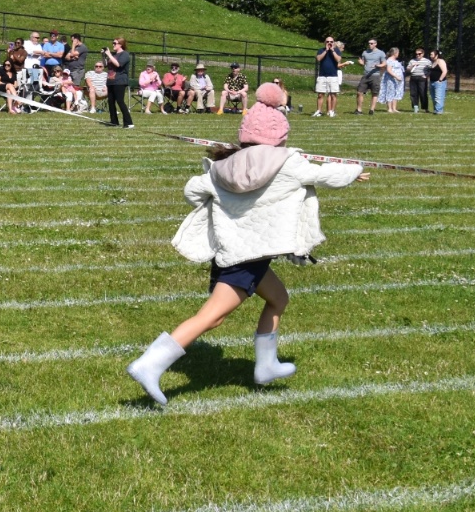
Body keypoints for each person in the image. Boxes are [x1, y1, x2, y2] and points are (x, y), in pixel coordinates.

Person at [125, 83, 367, 405]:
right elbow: (326, 176)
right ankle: (149, 364)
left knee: (278, 298)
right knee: (212, 317)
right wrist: (356, 168)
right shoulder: (288, 162)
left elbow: (192, 191)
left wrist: (221, 207)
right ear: (279, 135)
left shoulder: (225, 164)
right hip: (245, 256)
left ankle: (266, 366)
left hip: (240, 250)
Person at [103, 38, 133, 127]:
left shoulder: (125, 54)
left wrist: (109, 54)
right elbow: (105, 65)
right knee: (111, 101)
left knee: (120, 101)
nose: (113, 45)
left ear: (120, 44)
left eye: (115, 43)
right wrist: (104, 55)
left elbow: (118, 64)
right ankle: (114, 121)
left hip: (120, 81)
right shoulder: (114, 55)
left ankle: (129, 123)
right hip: (111, 81)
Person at [353, 38, 385, 115]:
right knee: (359, 92)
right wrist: (361, 63)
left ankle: (371, 110)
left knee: (374, 93)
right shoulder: (365, 52)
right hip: (366, 75)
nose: (370, 45)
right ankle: (359, 110)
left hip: (375, 75)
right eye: (369, 43)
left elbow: (384, 63)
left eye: (371, 43)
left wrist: (378, 65)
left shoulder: (380, 53)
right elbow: (363, 62)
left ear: (375, 44)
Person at [313, 36, 342, 117]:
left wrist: (332, 51)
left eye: (331, 42)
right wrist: (326, 50)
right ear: (325, 42)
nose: (329, 43)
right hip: (322, 75)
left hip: (333, 76)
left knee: (333, 94)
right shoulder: (321, 50)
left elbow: (338, 59)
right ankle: (319, 111)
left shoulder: (336, 50)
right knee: (320, 94)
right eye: (327, 41)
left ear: (334, 43)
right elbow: (318, 59)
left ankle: (332, 111)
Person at [405, 48, 432, 113]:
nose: (417, 55)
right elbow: (408, 70)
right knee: (413, 93)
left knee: (423, 93)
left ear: (423, 54)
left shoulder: (427, 61)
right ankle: (415, 107)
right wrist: (412, 66)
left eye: (419, 54)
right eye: (416, 54)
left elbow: (431, 70)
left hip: (422, 78)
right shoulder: (412, 61)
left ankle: (425, 108)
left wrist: (426, 76)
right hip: (413, 78)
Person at [379, 47, 405, 113]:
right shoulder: (389, 60)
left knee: (396, 92)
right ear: (395, 53)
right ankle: (389, 108)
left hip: (397, 81)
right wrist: (396, 76)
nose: (398, 54)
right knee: (390, 92)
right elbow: (389, 70)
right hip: (391, 79)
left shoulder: (396, 61)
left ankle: (394, 108)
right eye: (398, 52)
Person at [429, 50, 449, 114]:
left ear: (436, 55)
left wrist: (440, 80)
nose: (430, 56)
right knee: (433, 97)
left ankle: (439, 111)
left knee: (438, 97)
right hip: (432, 82)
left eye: (432, 54)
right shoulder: (433, 62)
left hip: (439, 83)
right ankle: (436, 109)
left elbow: (445, 71)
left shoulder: (440, 61)